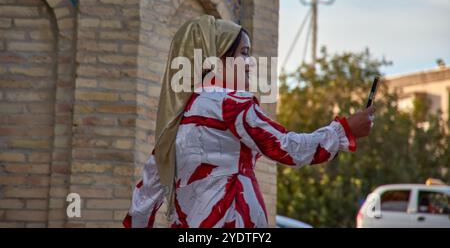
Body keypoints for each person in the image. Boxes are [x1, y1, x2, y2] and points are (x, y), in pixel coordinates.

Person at [123, 15, 375, 228]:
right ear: (217, 60)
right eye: (243, 53)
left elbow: (143, 199)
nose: (251, 63)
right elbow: (285, 147)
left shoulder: (177, 121)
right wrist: (344, 130)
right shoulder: (232, 104)